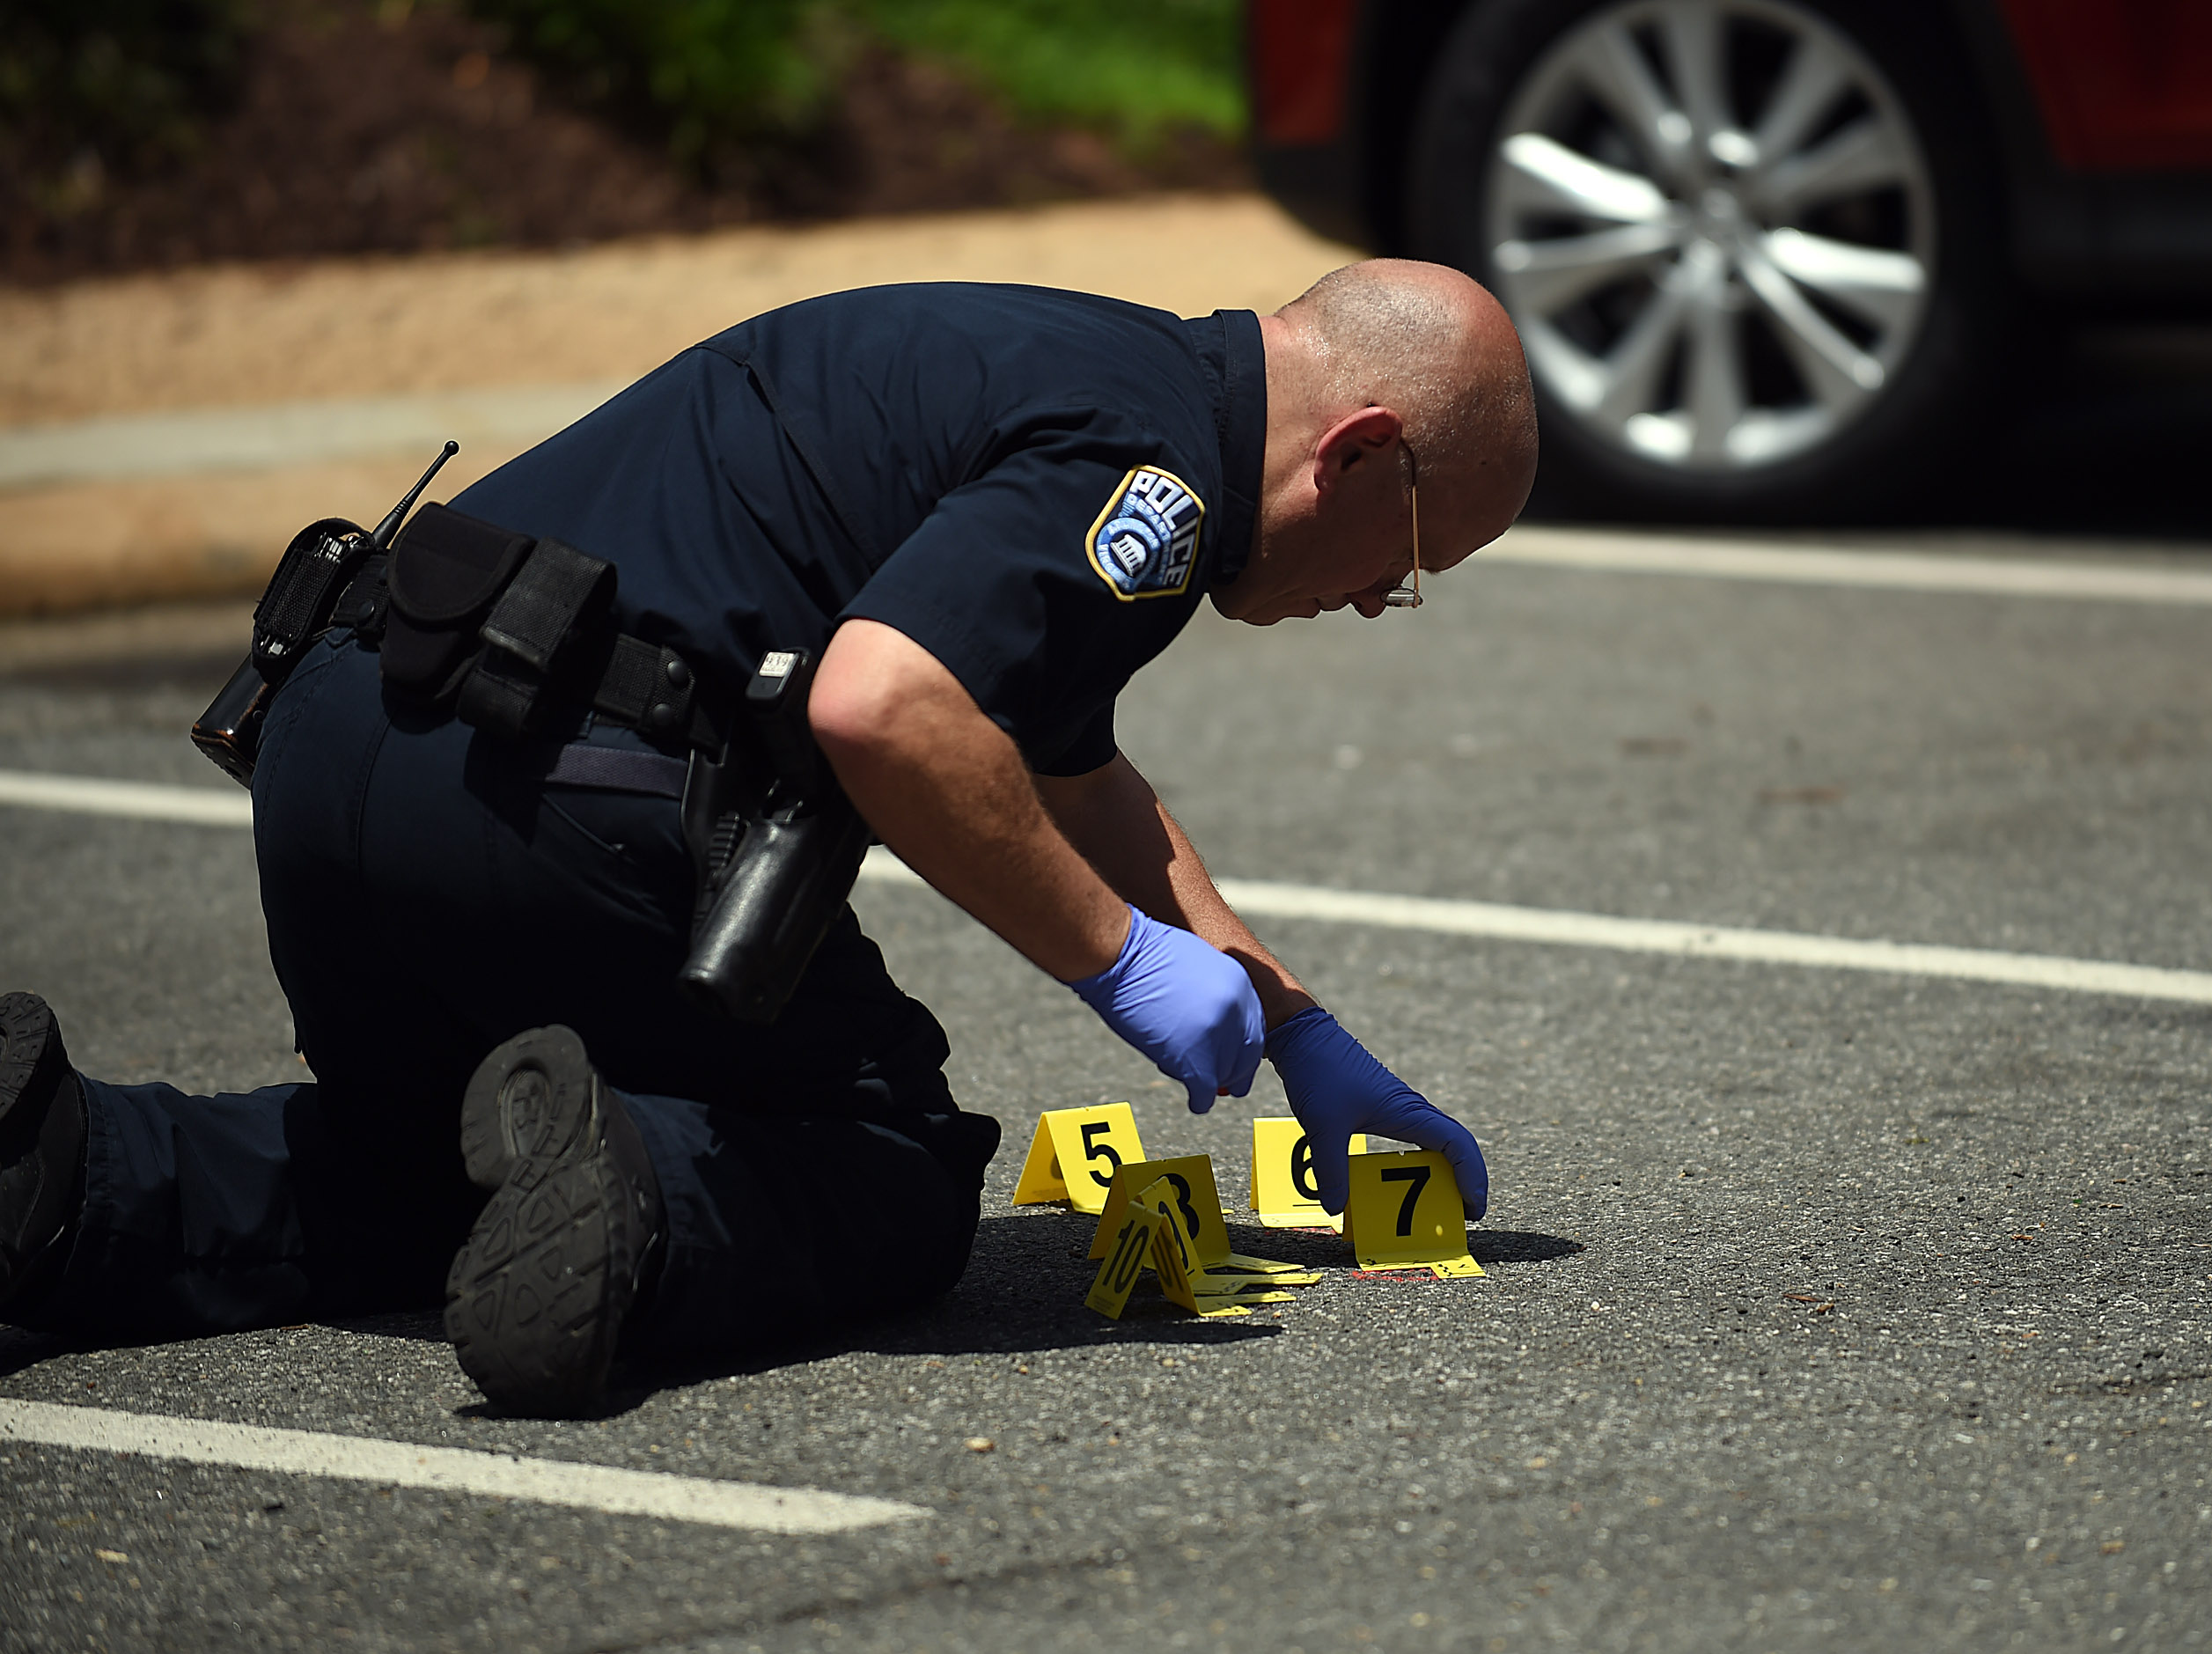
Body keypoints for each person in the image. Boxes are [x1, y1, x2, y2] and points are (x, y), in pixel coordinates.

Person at [0, 260, 1539, 1415]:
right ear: (1358, 449)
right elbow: (887, 705)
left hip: (339, 746)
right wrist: (1118, 961)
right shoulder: (1156, 471)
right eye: (1408, 561)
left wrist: (1297, 1027)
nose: (1371, 603)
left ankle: (61, 1172)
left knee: (421, 1172)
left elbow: (1066, 766)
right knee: (886, 1165)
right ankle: (644, 1206)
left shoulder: (1086, 365)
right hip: (557, 787)